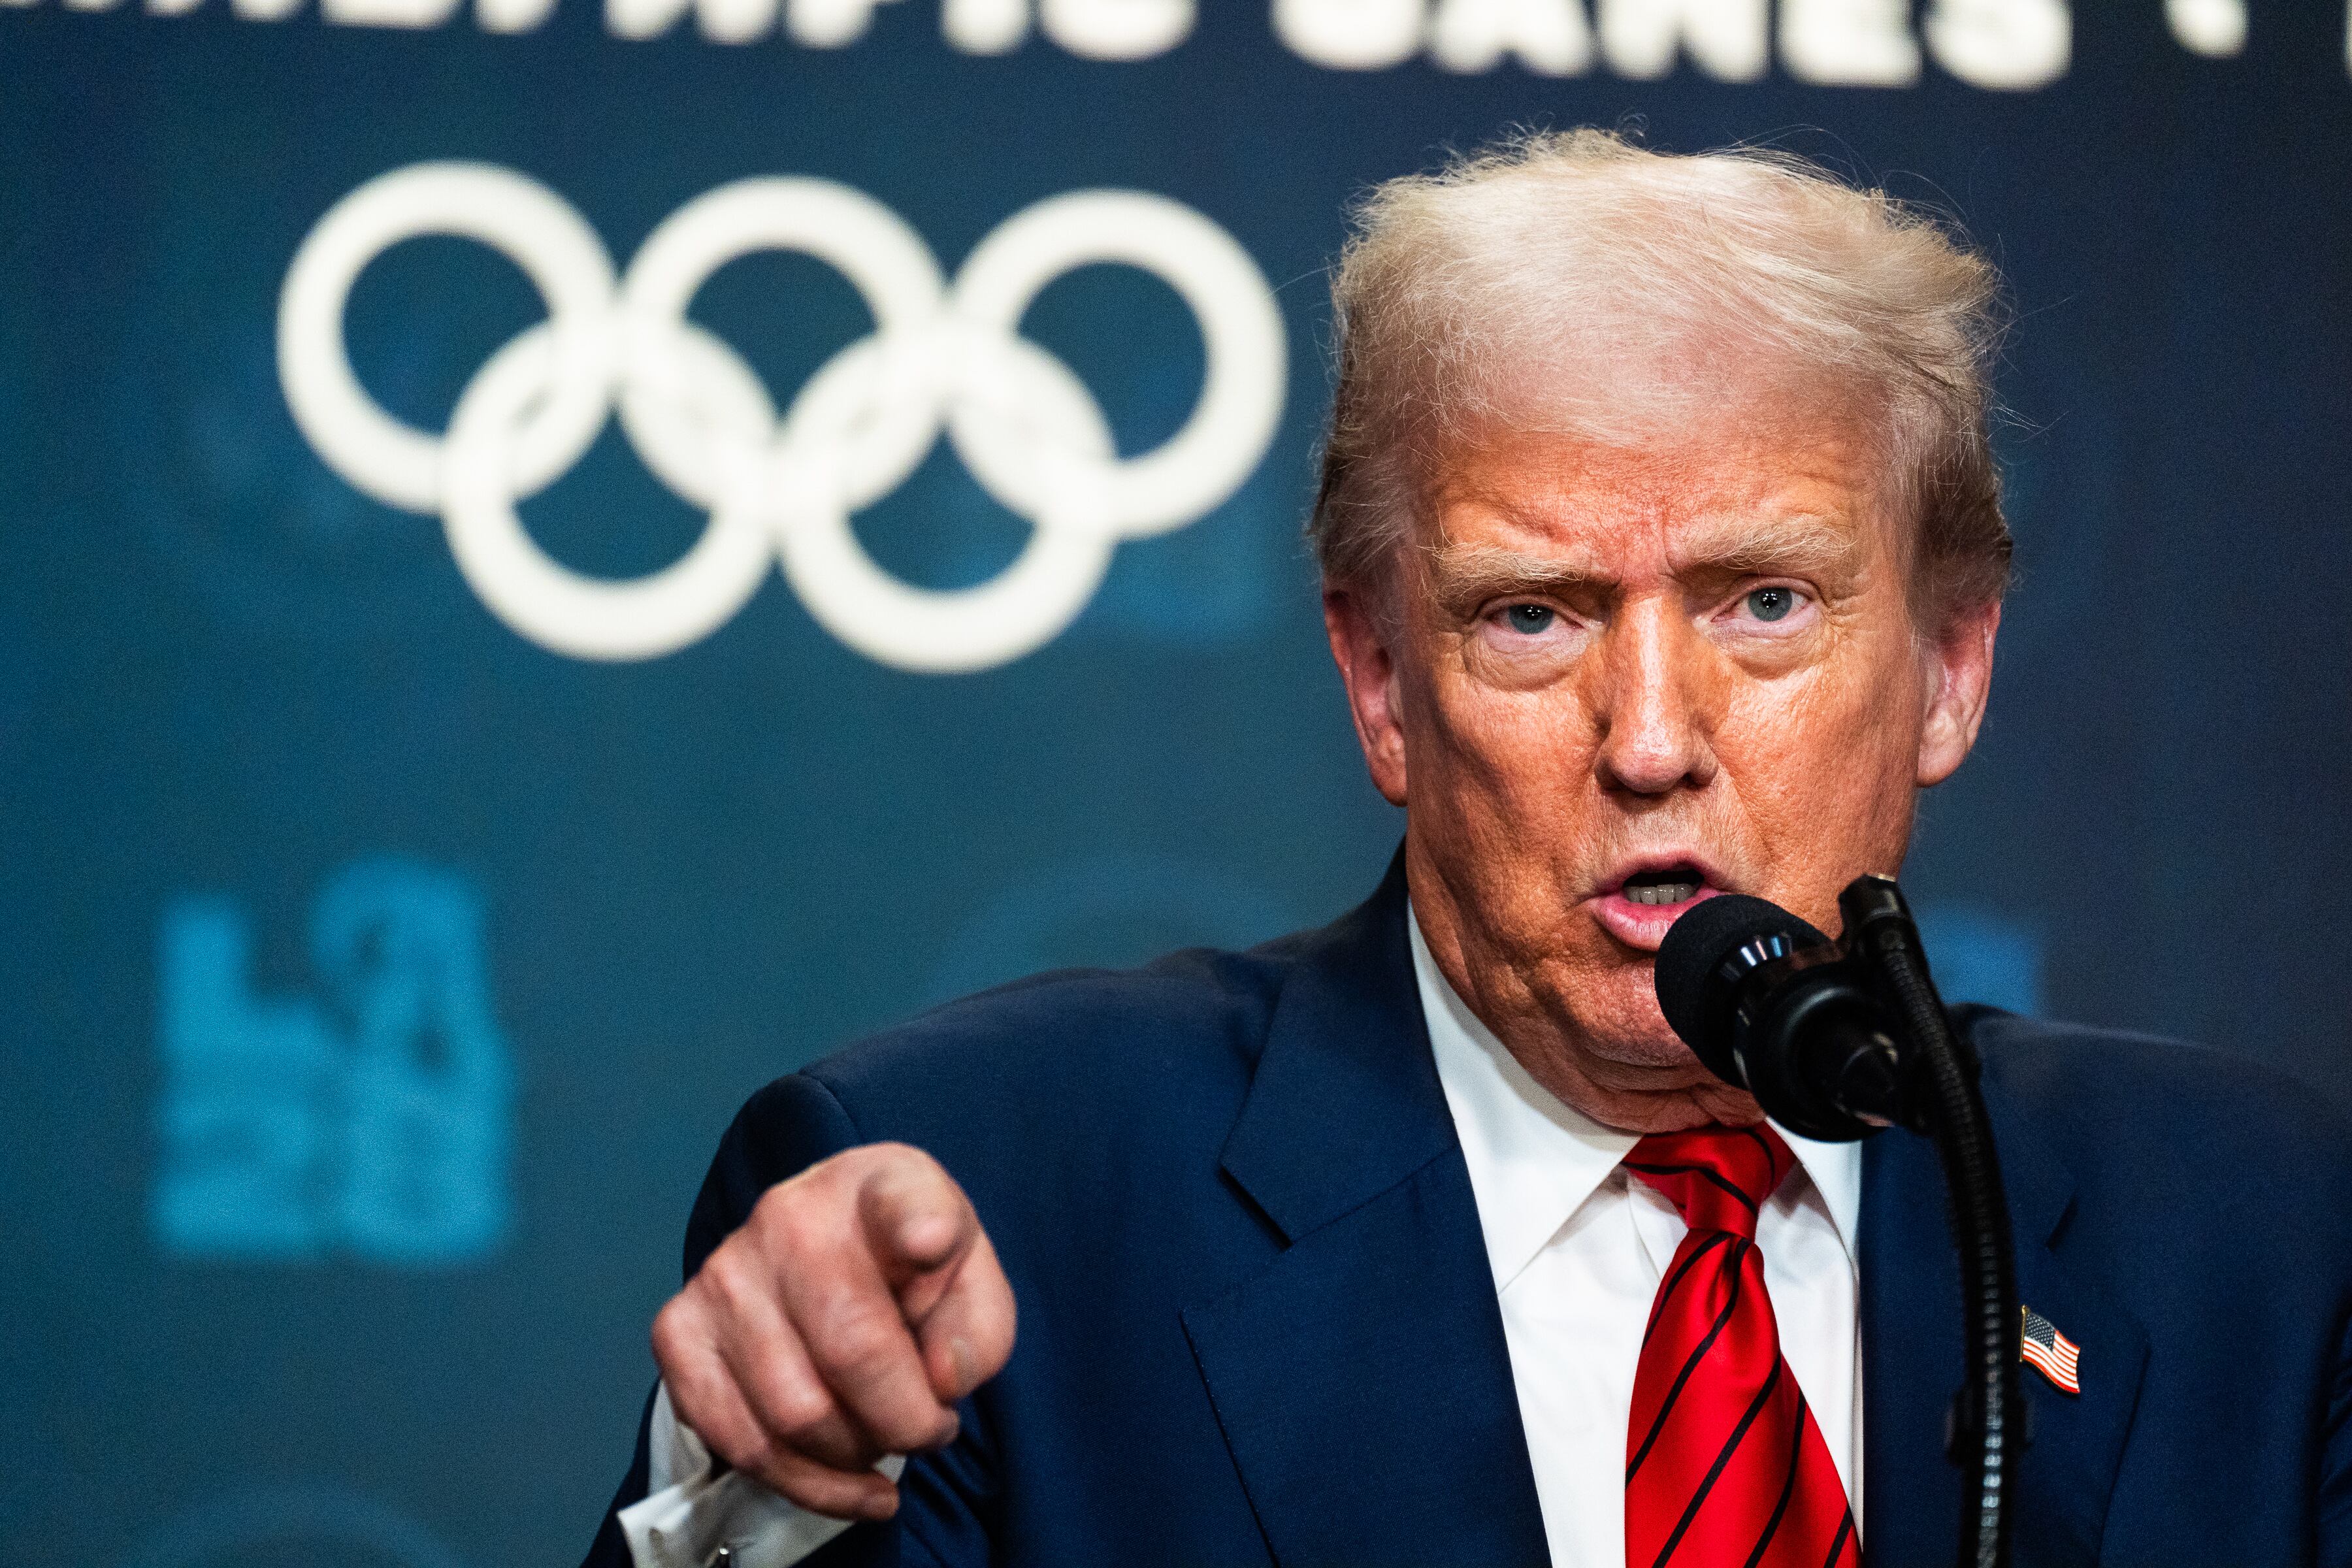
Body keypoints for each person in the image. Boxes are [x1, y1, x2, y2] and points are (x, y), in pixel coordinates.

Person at [583, 131, 2352, 1568]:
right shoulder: (995, 1214)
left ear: (1952, 668)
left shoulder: (2262, 1239)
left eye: (1764, 602)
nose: (1649, 740)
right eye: (1532, 616)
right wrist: (761, 1490)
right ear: (1380, 684)